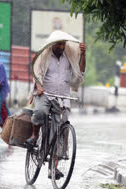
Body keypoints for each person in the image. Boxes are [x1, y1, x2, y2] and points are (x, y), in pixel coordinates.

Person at [27, 31, 86, 178]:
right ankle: (34, 136)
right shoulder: (45, 56)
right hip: (45, 94)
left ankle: (53, 168)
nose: (61, 46)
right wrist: (39, 86)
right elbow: (37, 72)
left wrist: (83, 55)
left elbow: (79, 73)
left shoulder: (69, 56)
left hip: (62, 98)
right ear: (53, 44)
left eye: (63, 44)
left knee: (61, 131)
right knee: (40, 112)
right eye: (59, 43)